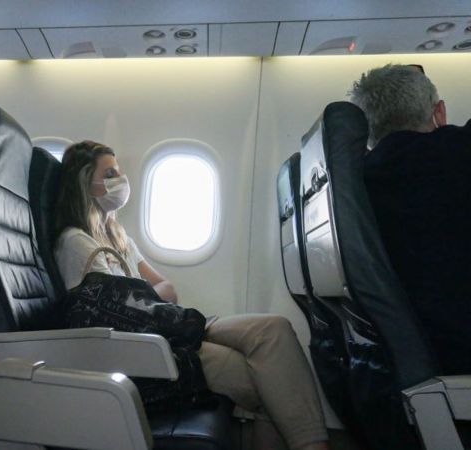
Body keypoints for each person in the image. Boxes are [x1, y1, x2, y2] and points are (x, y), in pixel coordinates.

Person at [54, 140, 330, 450]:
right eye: (110, 174)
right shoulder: (76, 243)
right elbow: (102, 319)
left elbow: (167, 289)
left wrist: (144, 304)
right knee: (269, 382)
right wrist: (148, 304)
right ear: (86, 183)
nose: (121, 180)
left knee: (273, 328)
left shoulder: (120, 238)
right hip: (147, 348)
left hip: (169, 324)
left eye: (118, 172)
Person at [351, 64, 471, 374]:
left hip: (417, 344)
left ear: (368, 132)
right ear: (439, 113)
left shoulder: (358, 179)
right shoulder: (460, 151)